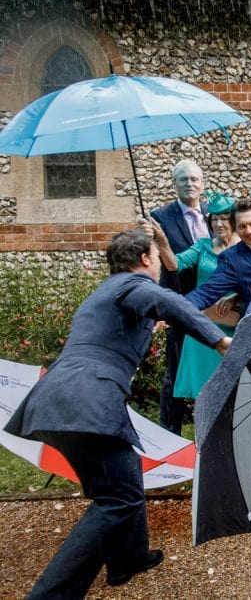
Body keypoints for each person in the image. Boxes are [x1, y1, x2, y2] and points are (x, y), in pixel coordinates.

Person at [4, 230, 231, 598]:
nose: (159, 264)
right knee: (117, 499)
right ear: (145, 257)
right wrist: (219, 340)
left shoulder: (108, 291)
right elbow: (161, 298)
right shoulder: (130, 285)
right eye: (157, 257)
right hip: (85, 399)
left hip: (66, 398)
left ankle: (129, 558)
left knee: (124, 478)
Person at [148, 191, 239, 399]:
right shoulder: (203, 246)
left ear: (234, 220)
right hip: (203, 327)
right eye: (214, 219)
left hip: (233, 324)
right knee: (204, 391)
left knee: (232, 389)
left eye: (224, 218)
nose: (219, 224)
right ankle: (203, 432)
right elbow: (174, 264)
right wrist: (162, 242)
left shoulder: (244, 249)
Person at [150, 159, 208, 434]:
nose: (189, 184)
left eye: (194, 179)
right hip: (178, 302)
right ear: (174, 184)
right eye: (183, 179)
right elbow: (159, 262)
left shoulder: (214, 215)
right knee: (176, 369)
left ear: (203, 184)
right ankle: (168, 432)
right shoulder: (159, 218)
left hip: (211, 305)